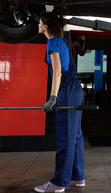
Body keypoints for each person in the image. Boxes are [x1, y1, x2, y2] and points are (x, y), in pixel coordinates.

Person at [35, 12, 85, 193]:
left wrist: (53, 98)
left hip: (66, 90)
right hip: (75, 89)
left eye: (39, 23)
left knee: (66, 136)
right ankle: (78, 177)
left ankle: (59, 181)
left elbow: (57, 72)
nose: (38, 25)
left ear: (45, 26)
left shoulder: (53, 42)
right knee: (76, 136)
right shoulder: (63, 41)